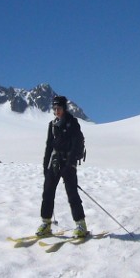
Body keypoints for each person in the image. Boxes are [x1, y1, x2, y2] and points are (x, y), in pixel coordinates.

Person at [36, 96, 88, 238]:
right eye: (55, 109)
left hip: (68, 163)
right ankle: (46, 223)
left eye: (59, 108)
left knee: (72, 193)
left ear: (64, 108)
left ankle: (81, 224)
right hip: (54, 162)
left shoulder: (73, 123)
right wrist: (45, 166)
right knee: (47, 192)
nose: (56, 111)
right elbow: (49, 146)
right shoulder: (52, 125)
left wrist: (70, 163)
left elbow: (76, 144)